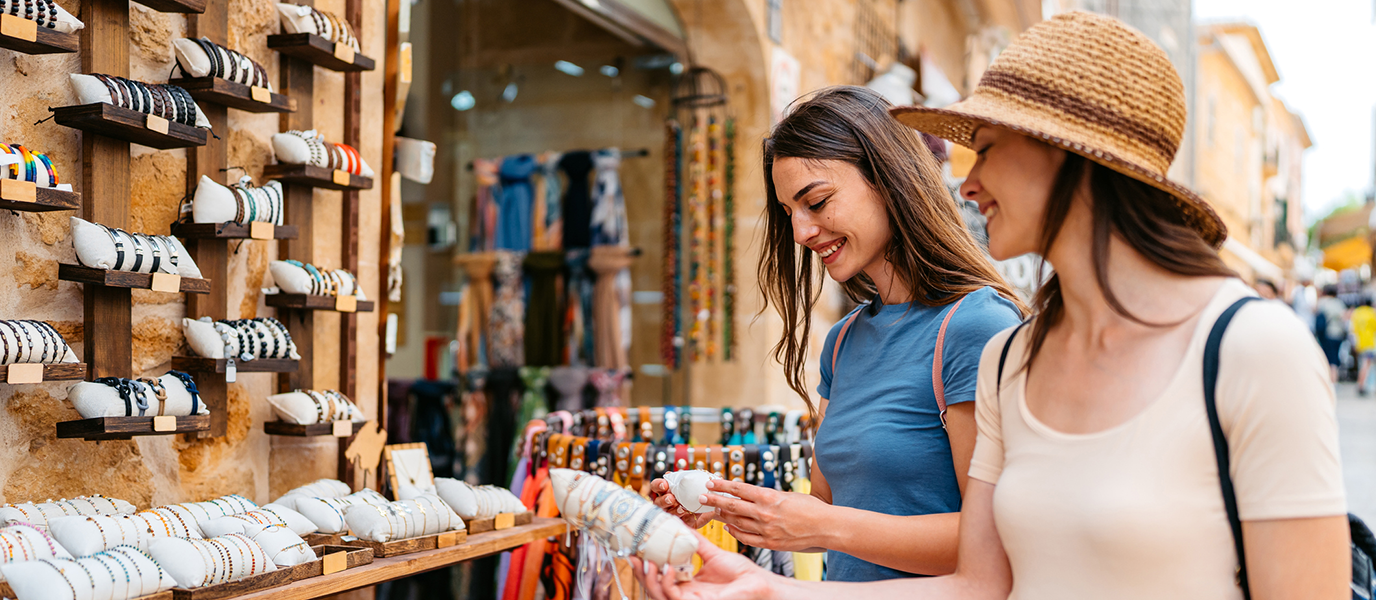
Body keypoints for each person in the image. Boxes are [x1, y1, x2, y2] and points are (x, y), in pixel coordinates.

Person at [636, 11, 1347, 600]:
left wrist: (807, 542)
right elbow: (981, 582)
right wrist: (765, 581)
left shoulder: (1253, 348)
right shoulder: (1015, 358)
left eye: (988, 148)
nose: (968, 182)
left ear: (1066, 156)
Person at [649, 86, 1026, 581]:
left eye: (817, 201)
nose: (801, 232)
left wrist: (824, 525)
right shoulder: (844, 340)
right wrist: (728, 505)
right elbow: (828, 514)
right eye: (790, 213)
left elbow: (996, 543)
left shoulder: (977, 327)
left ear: (889, 179)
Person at [1315, 285, 1347, 383]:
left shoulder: (1322, 302)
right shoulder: (1339, 303)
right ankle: (1333, 381)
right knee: (1334, 359)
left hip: (1324, 334)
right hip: (1337, 334)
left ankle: (1327, 381)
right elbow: (1344, 318)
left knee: (1325, 358)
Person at [1352, 296, 1376, 395]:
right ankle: (1361, 385)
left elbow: (1353, 328)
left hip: (1359, 343)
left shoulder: (1357, 313)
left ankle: (1362, 385)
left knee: (1363, 364)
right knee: (1366, 364)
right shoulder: (1372, 313)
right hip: (1370, 343)